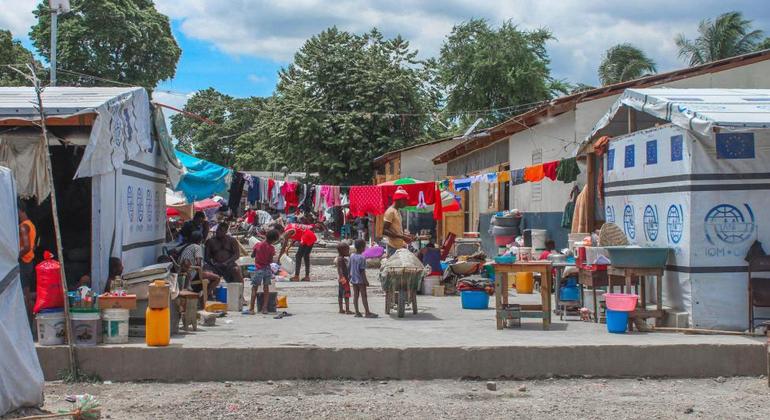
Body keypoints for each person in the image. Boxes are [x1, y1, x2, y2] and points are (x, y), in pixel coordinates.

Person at [180, 231, 221, 299]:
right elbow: (198, 263)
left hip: (186, 273)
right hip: (192, 274)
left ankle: (206, 295)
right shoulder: (197, 247)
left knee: (210, 273)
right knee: (217, 278)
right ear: (200, 239)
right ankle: (205, 297)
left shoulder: (188, 246)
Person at [249, 229, 280, 315]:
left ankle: (251, 308)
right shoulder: (271, 248)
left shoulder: (258, 245)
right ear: (274, 240)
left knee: (254, 288)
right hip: (267, 269)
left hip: (259, 268)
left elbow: (252, 255)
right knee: (266, 289)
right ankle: (264, 308)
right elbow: (270, 260)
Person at [350, 239, 376, 318]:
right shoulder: (362, 258)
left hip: (354, 279)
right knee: (364, 296)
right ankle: (367, 312)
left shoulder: (352, 256)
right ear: (362, 247)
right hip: (360, 280)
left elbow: (350, 267)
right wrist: (366, 281)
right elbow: (362, 271)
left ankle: (357, 312)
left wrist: (349, 277)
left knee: (355, 296)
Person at [382, 187, 412, 257]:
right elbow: (384, 230)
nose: (406, 203)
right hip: (393, 248)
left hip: (398, 247)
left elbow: (396, 229)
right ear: (399, 200)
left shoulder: (397, 211)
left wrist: (405, 235)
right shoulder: (390, 211)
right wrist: (402, 237)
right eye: (405, 201)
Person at [18, 202, 36, 312]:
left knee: (24, 295)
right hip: (29, 262)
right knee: (27, 293)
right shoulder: (31, 224)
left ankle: (28, 320)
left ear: (20, 211)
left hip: (23, 263)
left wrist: (15, 256)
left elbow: (26, 247)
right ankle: (31, 318)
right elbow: (32, 247)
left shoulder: (23, 226)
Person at [336, 242, 352, 314]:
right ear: (342, 251)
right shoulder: (340, 259)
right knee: (346, 294)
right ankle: (347, 310)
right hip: (344, 279)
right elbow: (340, 269)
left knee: (340, 294)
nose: (348, 252)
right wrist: (342, 277)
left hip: (342, 279)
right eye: (347, 250)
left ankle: (341, 309)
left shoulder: (341, 258)